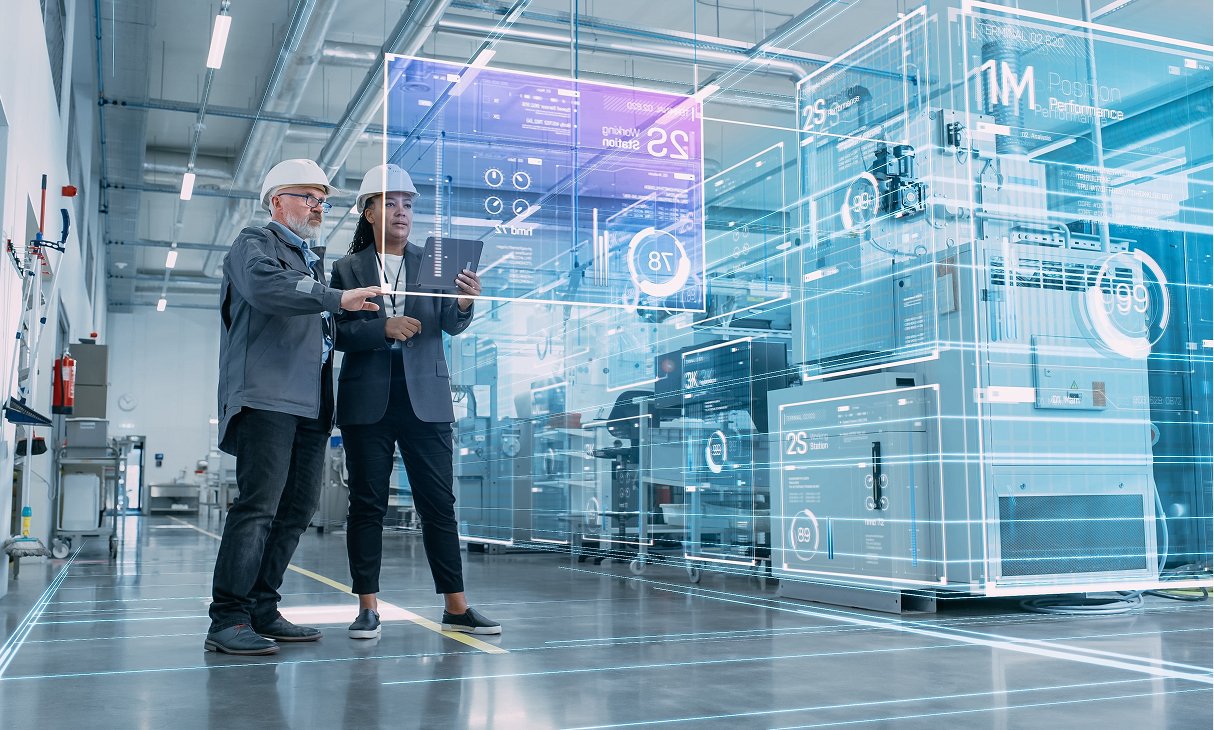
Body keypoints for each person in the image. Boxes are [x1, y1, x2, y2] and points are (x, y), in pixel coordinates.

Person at [206, 159, 382, 656]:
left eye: (322, 200)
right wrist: (334, 297)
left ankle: (262, 606)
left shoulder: (312, 261)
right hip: (266, 396)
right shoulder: (254, 244)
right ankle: (228, 617)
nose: (318, 207)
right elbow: (268, 288)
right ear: (276, 200)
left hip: (310, 402)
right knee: (258, 506)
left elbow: (327, 324)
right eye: (308, 197)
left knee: (298, 507)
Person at [331, 163, 500, 639]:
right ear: (368, 213)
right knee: (367, 505)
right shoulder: (347, 269)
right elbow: (337, 332)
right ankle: (367, 606)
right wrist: (380, 328)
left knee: (438, 504)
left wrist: (466, 302)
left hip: (426, 397)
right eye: (390, 203)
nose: (402, 211)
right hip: (369, 400)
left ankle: (457, 607)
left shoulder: (436, 260)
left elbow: (450, 322)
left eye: (408, 204)